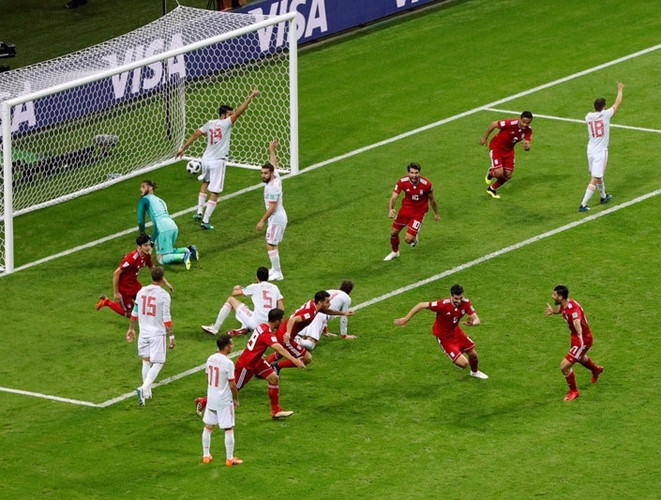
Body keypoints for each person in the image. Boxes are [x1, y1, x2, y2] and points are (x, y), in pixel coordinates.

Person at [196, 308, 306, 419]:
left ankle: (275, 410)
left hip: (257, 360)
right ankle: (203, 400)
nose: (282, 322)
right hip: (247, 364)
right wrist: (295, 360)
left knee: (274, 378)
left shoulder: (262, 326)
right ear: (277, 321)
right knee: (230, 390)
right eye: (281, 319)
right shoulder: (267, 333)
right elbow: (279, 349)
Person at [175, 89, 260, 230]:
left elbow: (196, 134)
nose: (232, 116)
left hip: (206, 159)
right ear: (223, 115)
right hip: (217, 161)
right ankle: (205, 221)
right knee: (215, 191)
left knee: (205, 182)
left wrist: (183, 148)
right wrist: (250, 96)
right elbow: (240, 111)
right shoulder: (225, 124)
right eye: (229, 114)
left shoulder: (210, 123)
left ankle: (199, 212)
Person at [393, 284, 488, 379]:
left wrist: (473, 323)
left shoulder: (465, 303)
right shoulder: (442, 304)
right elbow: (421, 304)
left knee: (473, 354)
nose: (459, 301)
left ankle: (474, 372)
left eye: (460, 298)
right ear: (451, 296)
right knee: (464, 364)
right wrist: (406, 318)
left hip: (456, 333)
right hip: (444, 338)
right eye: (456, 298)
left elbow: (477, 320)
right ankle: (453, 356)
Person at [265, 291, 355, 372]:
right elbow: (293, 319)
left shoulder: (313, 303)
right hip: (285, 337)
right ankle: (277, 366)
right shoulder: (310, 313)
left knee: (281, 352)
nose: (329, 304)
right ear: (320, 303)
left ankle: (262, 367)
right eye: (327, 302)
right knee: (307, 358)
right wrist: (288, 333)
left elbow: (326, 311)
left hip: (281, 330)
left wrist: (343, 313)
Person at [126, 266, 176, 405]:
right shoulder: (164, 295)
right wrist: (172, 336)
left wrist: (131, 329)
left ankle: (146, 394)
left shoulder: (141, 292)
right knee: (159, 362)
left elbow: (134, 312)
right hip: (157, 333)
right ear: (162, 278)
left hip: (143, 333)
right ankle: (144, 388)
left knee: (146, 361)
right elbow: (166, 318)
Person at [544, 285, 603, 401]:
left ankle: (574, 391)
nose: (552, 296)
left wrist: (580, 335)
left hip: (582, 340)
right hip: (576, 338)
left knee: (564, 366)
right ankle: (596, 370)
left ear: (560, 297)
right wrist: (552, 311)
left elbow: (576, 322)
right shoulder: (566, 304)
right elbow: (561, 309)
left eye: (554, 295)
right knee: (579, 357)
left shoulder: (573, 310)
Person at [96, 233, 174, 317]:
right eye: (145, 245)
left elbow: (153, 269)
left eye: (149, 245)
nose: (148, 247)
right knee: (130, 314)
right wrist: (116, 292)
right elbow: (116, 273)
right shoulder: (131, 259)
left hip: (134, 284)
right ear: (139, 247)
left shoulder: (146, 256)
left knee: (145, 302)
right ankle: (106, 301)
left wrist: (166, 282)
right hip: (124, 289)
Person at [579, 82, 624, 212]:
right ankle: (583, 204)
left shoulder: (588, 116)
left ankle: (603, 197)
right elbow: (617, 104)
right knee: (595, 178)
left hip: (590, 150)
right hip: (600, 152)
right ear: (604, 107)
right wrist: (620, 89)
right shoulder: (605, 115)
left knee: (598, 175)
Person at [201, 266, 284, 336]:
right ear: (268, 277)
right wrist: (278, 325)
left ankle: (215, 328)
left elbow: (234, 294)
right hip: (270, 324)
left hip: (256, 324)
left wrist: (236, 287)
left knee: (231, 300)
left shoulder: (254, 287)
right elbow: (281, 308)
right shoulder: (275, 288)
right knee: (248, 312)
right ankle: (244, 328)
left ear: (257, 277)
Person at [384, 162, 440, 261]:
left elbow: (432, 200)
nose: (414, 175)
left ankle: (414, 237)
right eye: (412, 173)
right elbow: (393, 197)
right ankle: (395, 252)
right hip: (405, 210)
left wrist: (436, 213)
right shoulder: (402, 181)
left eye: (416, 173)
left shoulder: (426, 184)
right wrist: (390, 209)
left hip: (419, 213)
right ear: (408, 173)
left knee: (408, 240)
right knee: (393, 232)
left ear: (419, 173)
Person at [201, 334, 242, 467]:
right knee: (228, 428)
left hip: (211, 398)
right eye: (231, 344)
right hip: (224, 400)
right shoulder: (228, 363)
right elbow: (232, 385)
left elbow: (207, 376)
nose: (232, 346)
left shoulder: (211, 358)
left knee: (208, 427)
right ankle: (229, 459)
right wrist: (236, 399)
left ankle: (206, 455)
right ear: (226, 347)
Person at [137, 180, 198, 269]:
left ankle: (183, 256)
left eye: (143, 187)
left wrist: (142, 233)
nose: (140, 189)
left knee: (160, 259)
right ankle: (188, 249)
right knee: (167, 251)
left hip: (162, 228)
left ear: (150, 188)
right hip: (172, 226)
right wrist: (152, 240)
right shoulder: (160, 200)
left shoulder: (144, 200)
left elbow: (140, 220)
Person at [481, 111, 533, 199]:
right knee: (499, 173)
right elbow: (493, 124)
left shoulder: (529, 130)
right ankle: (491, 172)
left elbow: (527, 143)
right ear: (520, 119)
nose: (525, 125)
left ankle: (491, 189)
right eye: (523, 122)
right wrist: (485, 137)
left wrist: (527, 147)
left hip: (509, 152)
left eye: (527, 123)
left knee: (508, 175)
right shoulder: (510, 123)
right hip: (496, 148)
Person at [256, 139, 287, 281]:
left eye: (265, 173)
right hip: (277, 217)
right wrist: (272, 150)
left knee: (269, 244)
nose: (263, 175)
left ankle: (278, 273)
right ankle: (275, 269)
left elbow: (272, 207)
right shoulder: (276, 176)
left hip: (276, 217)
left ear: (271, 174)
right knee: (274, 244)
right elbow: (274, 164)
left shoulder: (273, 187)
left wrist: (262, 221)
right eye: (262, 173)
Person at [296, 280, 357, 350]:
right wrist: (344, 335)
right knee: (311, 343)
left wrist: (326, 331)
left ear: (339, 286)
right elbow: (344, 317)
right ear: (351, 291)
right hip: (322, 314)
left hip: (312, 311)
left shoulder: (330, 291)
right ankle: (298, 342)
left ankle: (295, 341)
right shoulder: (347, 298)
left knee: (301, 335)